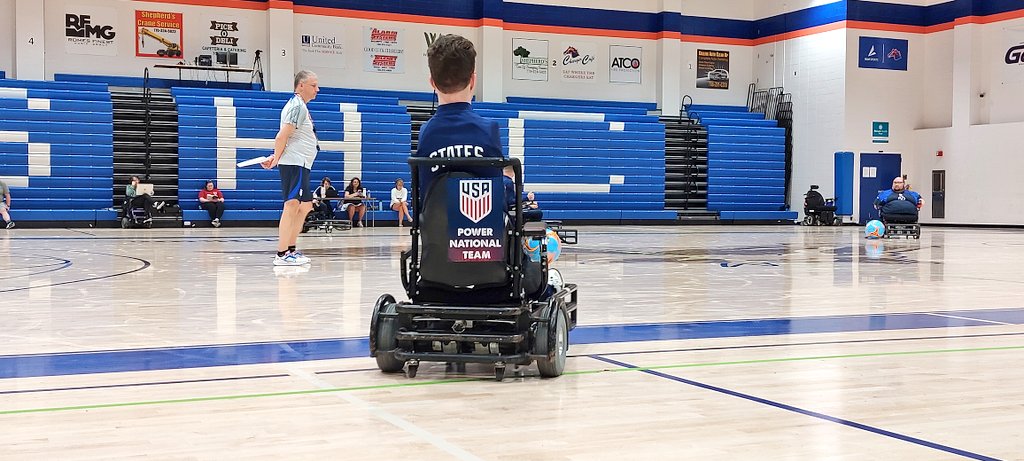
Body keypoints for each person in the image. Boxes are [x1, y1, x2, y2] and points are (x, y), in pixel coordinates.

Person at [415, 34, 546, 300]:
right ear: (473, 80)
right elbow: (495, 197)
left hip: (436, 268)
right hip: (489, 266)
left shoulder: (426, 133)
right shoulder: (488, 131)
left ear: (432, 83)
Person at [262, 70, 320, 266]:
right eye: (313, 85)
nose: (317, 89)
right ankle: (282, 253)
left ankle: (291, 249)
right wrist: (276, 158)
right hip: (295, 163)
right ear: (301, 85)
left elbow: (288, 138)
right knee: (292, 204)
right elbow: (281, 136)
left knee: (305, 206)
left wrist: (276, 156)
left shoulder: (300, 106)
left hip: (301, 162)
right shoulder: (297, 106)